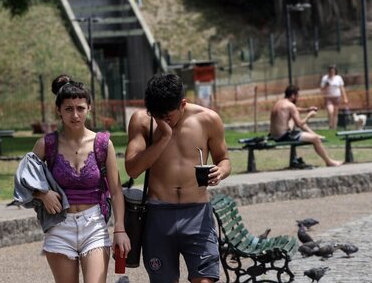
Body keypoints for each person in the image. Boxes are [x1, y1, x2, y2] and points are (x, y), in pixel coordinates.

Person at [125, 73, 232, 283]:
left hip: (197, 213)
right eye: (156, 117)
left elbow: (224, 159)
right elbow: (132, 169)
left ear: (183, 104)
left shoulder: (208, 119)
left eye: (167, 117)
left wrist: (221, 171)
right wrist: (163, 137)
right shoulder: (142, 121)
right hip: (158, 214)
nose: (162, 122)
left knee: (205, 280)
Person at [29, 76, 130, 283]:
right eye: (68, 109)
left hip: (93, 224)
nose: (75, 115)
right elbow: (22, 182)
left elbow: (117, 190)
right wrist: (42, 193)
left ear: (89, 108)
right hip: (59, 226)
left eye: (80, 108)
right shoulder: (45, 145)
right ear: (58, 110)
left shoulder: (103, 144)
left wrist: (120, 228)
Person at [270, 85, 342, 167]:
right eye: (297, 96)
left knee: (294, 118)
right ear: (293, 95)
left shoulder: (280, 102)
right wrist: (309, 115)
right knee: (315, 139)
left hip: (274, 135)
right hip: (283, 136)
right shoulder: (290, 106)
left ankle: (314, 134)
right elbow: (299, 124)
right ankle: (329, 162)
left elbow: (295, 110)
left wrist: (307, 109)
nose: (298, 98)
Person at [320, 64, 348, 129]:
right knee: (330, 112)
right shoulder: (325, 78)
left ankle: (334, 127)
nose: (332, 72)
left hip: (337, 97)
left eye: (333, 70)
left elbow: (342, 88)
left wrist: (345, 98)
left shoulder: (338, 78)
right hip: (328, 97)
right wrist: (326, 85)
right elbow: (321, 89)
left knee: (335, 113)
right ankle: (330, 125)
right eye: (330, 70)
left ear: (335, 71)